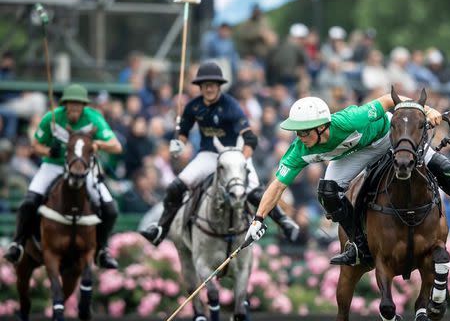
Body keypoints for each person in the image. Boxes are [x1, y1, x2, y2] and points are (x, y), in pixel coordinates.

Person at [242, 94, 450, 267]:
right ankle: (359, 245)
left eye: (304, 131)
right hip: (355, 154)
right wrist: (258, 219)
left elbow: (389, 99)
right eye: (297, 131)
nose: (300, 136)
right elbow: (277, 185)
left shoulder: (349, 119)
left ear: (322, 126)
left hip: (385, 137)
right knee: (328, 192)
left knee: (437, 162)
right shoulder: (300, 149)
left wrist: (427, 109)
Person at [139, 61, 298, 246]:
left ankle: (284, 222)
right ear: (200, 87)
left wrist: (241, 161)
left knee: (254, 191)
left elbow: (250, 138)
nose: (209, 89)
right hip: (208, 154)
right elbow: (182, 132)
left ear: (218, 86)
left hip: (235, 153)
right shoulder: (193, 107)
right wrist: (178, 144)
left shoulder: (231, 105)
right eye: (205, 85)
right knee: (176, 187)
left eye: (212, 85)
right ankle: (161, 229)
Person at [3, 84, 123, 268]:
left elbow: (116, 146)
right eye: (70, 105)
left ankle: (102, 250)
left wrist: (97, 144)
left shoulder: (94, 118)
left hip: (82, 169)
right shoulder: (51, 118)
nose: (74, 109)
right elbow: (35, 146)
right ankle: (18, 243)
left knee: (110, 208)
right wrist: (49, 151)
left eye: (78, 105)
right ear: (64, 104)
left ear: (84, 106)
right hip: (53, 166)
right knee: (29, 201)